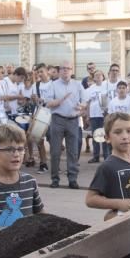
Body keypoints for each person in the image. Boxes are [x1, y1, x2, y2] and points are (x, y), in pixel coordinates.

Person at [85, 112, 130, 221]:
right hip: (120, 225)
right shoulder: (107, 166)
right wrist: (118, 203)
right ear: (107, 138)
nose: (125, 136)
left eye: (129, 131)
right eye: (118, 132)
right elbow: (90, 199)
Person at [46, 60, 86, 189]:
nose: (65, 71)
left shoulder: (78, 85)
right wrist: (61, 100)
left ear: (72, 70)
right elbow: (48, 103)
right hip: (57, 119)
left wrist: (82, 106)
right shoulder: (53, 85)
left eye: (68, 68)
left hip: (73, 120)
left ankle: (72, 179)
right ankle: (55, 179)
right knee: (55, 151)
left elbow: (85, 101)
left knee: (73, 152)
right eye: (63, 68)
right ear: (59, 71)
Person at [85, 70, 109, 162]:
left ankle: (106, 156)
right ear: (94, 78)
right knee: (95, 136)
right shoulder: (91, 88)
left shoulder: (106, 86)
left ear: (103, 77)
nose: (98, 76)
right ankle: (96, 156)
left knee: (104, 135)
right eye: (96, 75)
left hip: (104, 115)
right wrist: (88, 115)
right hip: (94, 115)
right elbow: (88, 102)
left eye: (100, 75)